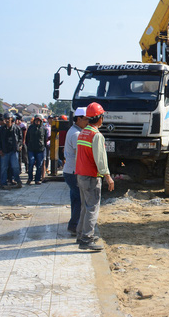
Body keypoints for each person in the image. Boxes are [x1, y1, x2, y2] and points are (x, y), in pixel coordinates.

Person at [75, 102, 114, 251]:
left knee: (85, 207)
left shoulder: (83, 132)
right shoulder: (96, 135)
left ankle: (81, 234)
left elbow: (79, 156)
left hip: (81, 175)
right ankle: (86, 239)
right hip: (91, 176)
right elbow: (100, 159)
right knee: (92, 208)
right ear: (99, 118)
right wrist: (108, 177)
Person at [62, 107, 88, 236]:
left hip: (70, 171)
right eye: (86, 119)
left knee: (75, 198)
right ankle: (75, 225)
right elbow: (80, 156)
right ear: (78, 119)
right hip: (73, 171)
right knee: (79, 199)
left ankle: (74, 225)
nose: (88, 122)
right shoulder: (77, 134)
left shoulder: (73, 130)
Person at [0, 113, 23, 190]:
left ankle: (18, 181)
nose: (7, 120)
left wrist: (19, 146)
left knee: (15, 167)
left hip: (14, 150)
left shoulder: (17, 128)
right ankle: (3, 183)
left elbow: (20, 138)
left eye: (8, 118)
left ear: (12, 119)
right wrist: (0, 150)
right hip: (5, 151)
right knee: (4, 167)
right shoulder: (1, 129)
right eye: (5, 119)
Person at [26, 114, 48, 184]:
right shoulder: (30, 128)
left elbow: (45, 139)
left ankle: (37, 179)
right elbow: (27, 138)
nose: (37, 122)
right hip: (31, 149)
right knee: (31, 163)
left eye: (39, 120)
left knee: (39, 165)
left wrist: (43, 146)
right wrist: (28, 146)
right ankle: (30, 178)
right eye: (36, 120)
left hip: (40, 149)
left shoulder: (44, 129)